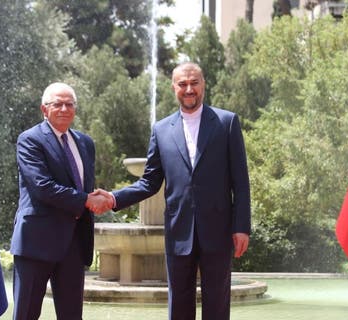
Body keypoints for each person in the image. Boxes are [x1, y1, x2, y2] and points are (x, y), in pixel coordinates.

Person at [101, 62, 251, 320]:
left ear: (203, 84)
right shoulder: (161, 130)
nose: (189, 89)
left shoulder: (226, 123)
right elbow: (149, 182)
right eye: (183, 84)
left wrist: (242, 227)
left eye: (194, 83)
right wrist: (114, 198)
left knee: (217, 304)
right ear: (174, 88)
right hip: (178, 231)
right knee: (179, 306)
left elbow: (241, 181)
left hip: (218, 230)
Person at [9, 82, 111, 320]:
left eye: (69, 104)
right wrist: (87, 200)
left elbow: (83, 186)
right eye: (58, 104)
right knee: (26, 314)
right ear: (44, 109)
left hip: (74, 242)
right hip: (36, 241)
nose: (64, 109)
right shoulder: (30, 140)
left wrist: (95, 198)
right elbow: (42, 187)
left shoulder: (85, 143)